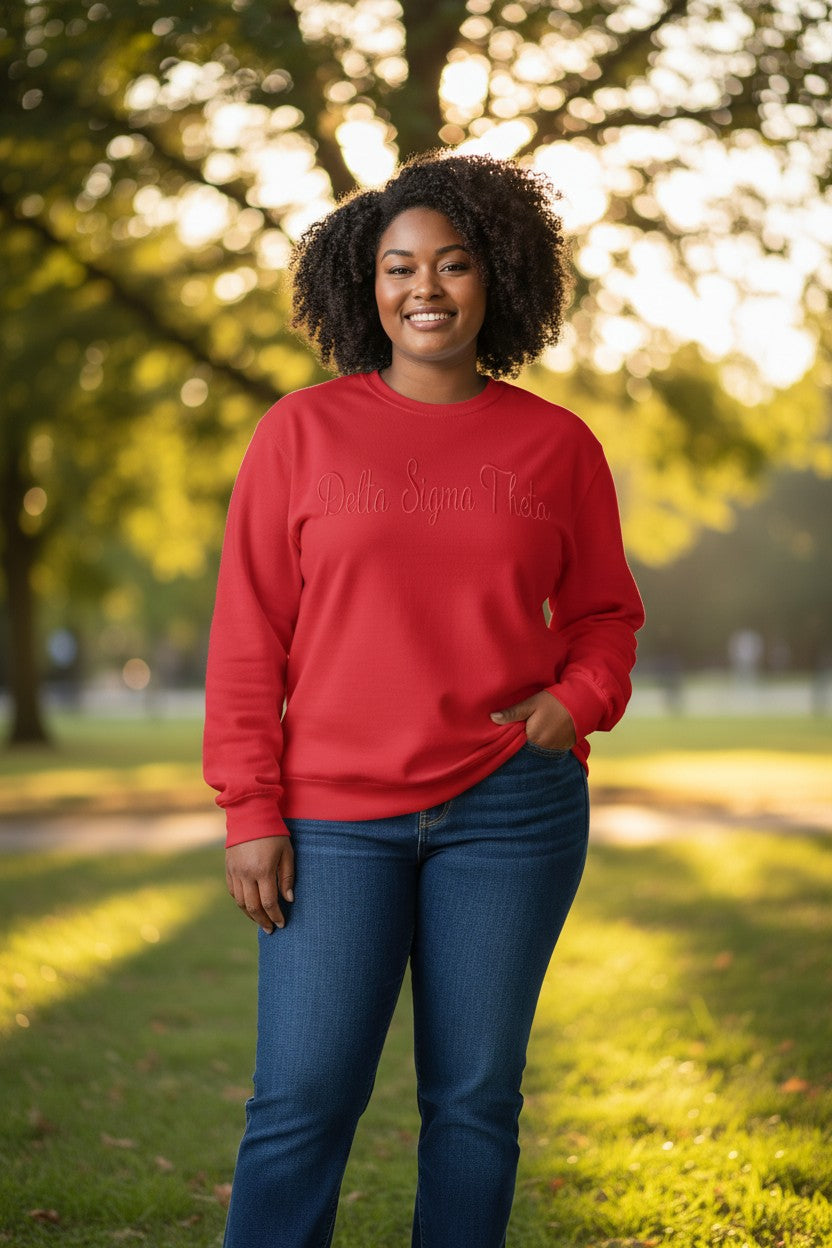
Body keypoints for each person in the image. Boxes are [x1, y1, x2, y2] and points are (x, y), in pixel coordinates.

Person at [203, 150, 645, 1248]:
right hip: (331, 818)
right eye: (400, 268)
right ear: (369, 285)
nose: (425, 290)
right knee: (301, 1098)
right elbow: (249, 637)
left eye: (452, 265)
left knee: (475, 1105)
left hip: (511, 810)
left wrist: (575, 701)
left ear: (495, 278)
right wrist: (250, 812)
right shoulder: (297, 436)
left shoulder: (556, 445)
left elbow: (605, 616)